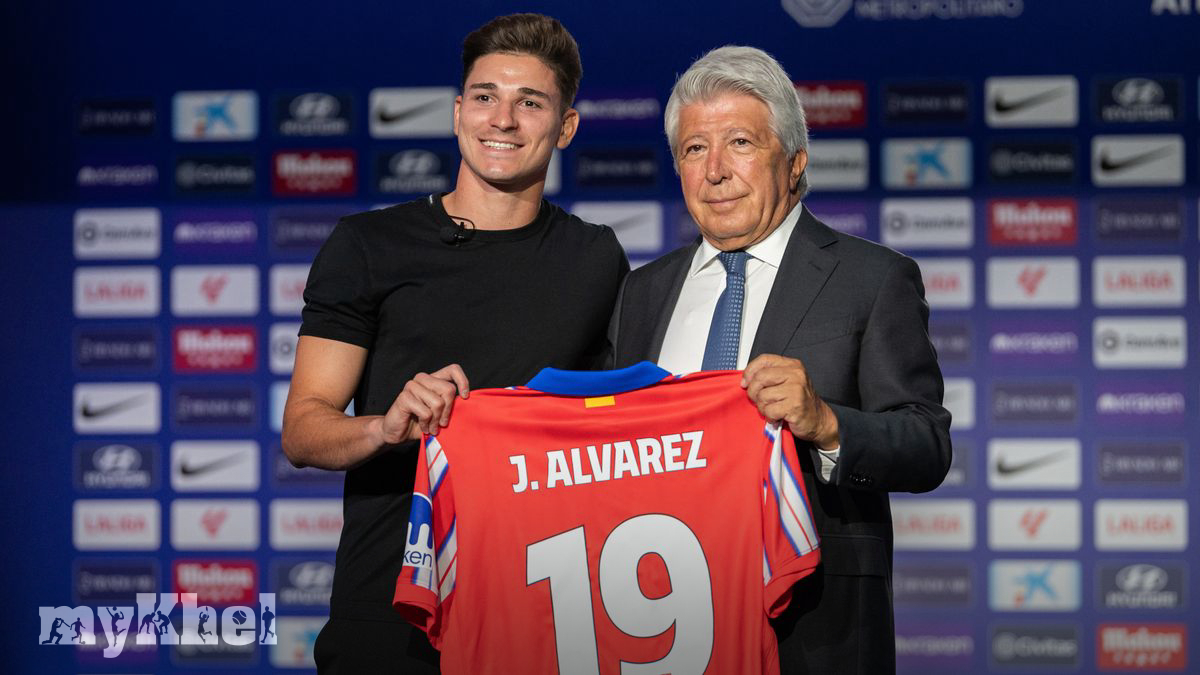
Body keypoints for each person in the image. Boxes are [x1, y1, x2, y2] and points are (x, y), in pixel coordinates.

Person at [282, 13, 628, 674]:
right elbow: (302, 430)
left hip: (542, 611)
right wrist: (384, 427)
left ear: (565, 127)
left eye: (530, 103)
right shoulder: (367, 245)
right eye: (485, 96)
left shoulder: (596, 257)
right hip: (391, 611)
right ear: (457, 111)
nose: (503, 120)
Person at [607, 46, 951, 673]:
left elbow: (926, 444)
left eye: (739, 142)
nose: (715, 171)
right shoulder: (642, 291)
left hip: (813, 627)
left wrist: (827, 423)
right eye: (694, 149)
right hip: (659, 618)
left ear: (794, 162)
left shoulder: (872, 278)